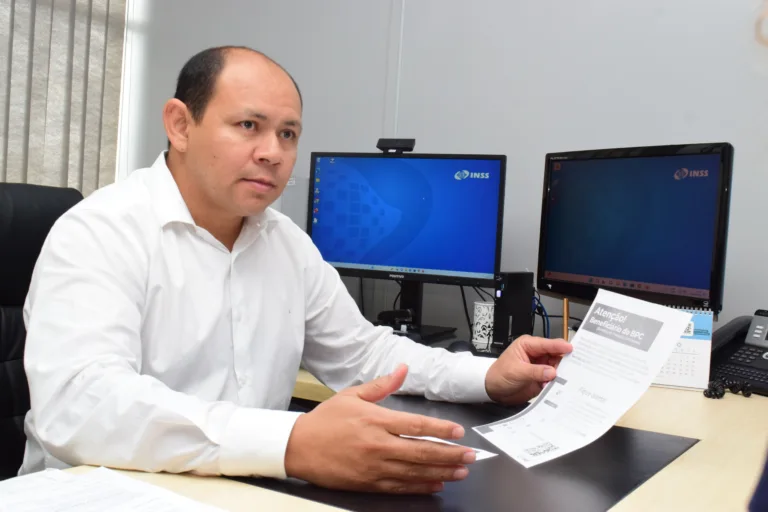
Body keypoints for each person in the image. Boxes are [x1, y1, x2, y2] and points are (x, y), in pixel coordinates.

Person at [19, 46, 572, 495]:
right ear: (180, 125)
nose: (273, 153)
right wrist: (292, 441)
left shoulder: (284, 241)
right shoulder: (100, 231)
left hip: (242, 491)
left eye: (287, 133)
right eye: (248, 125)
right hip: (100, 495)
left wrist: (487, 377)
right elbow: (82, 406)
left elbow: (365, 353)